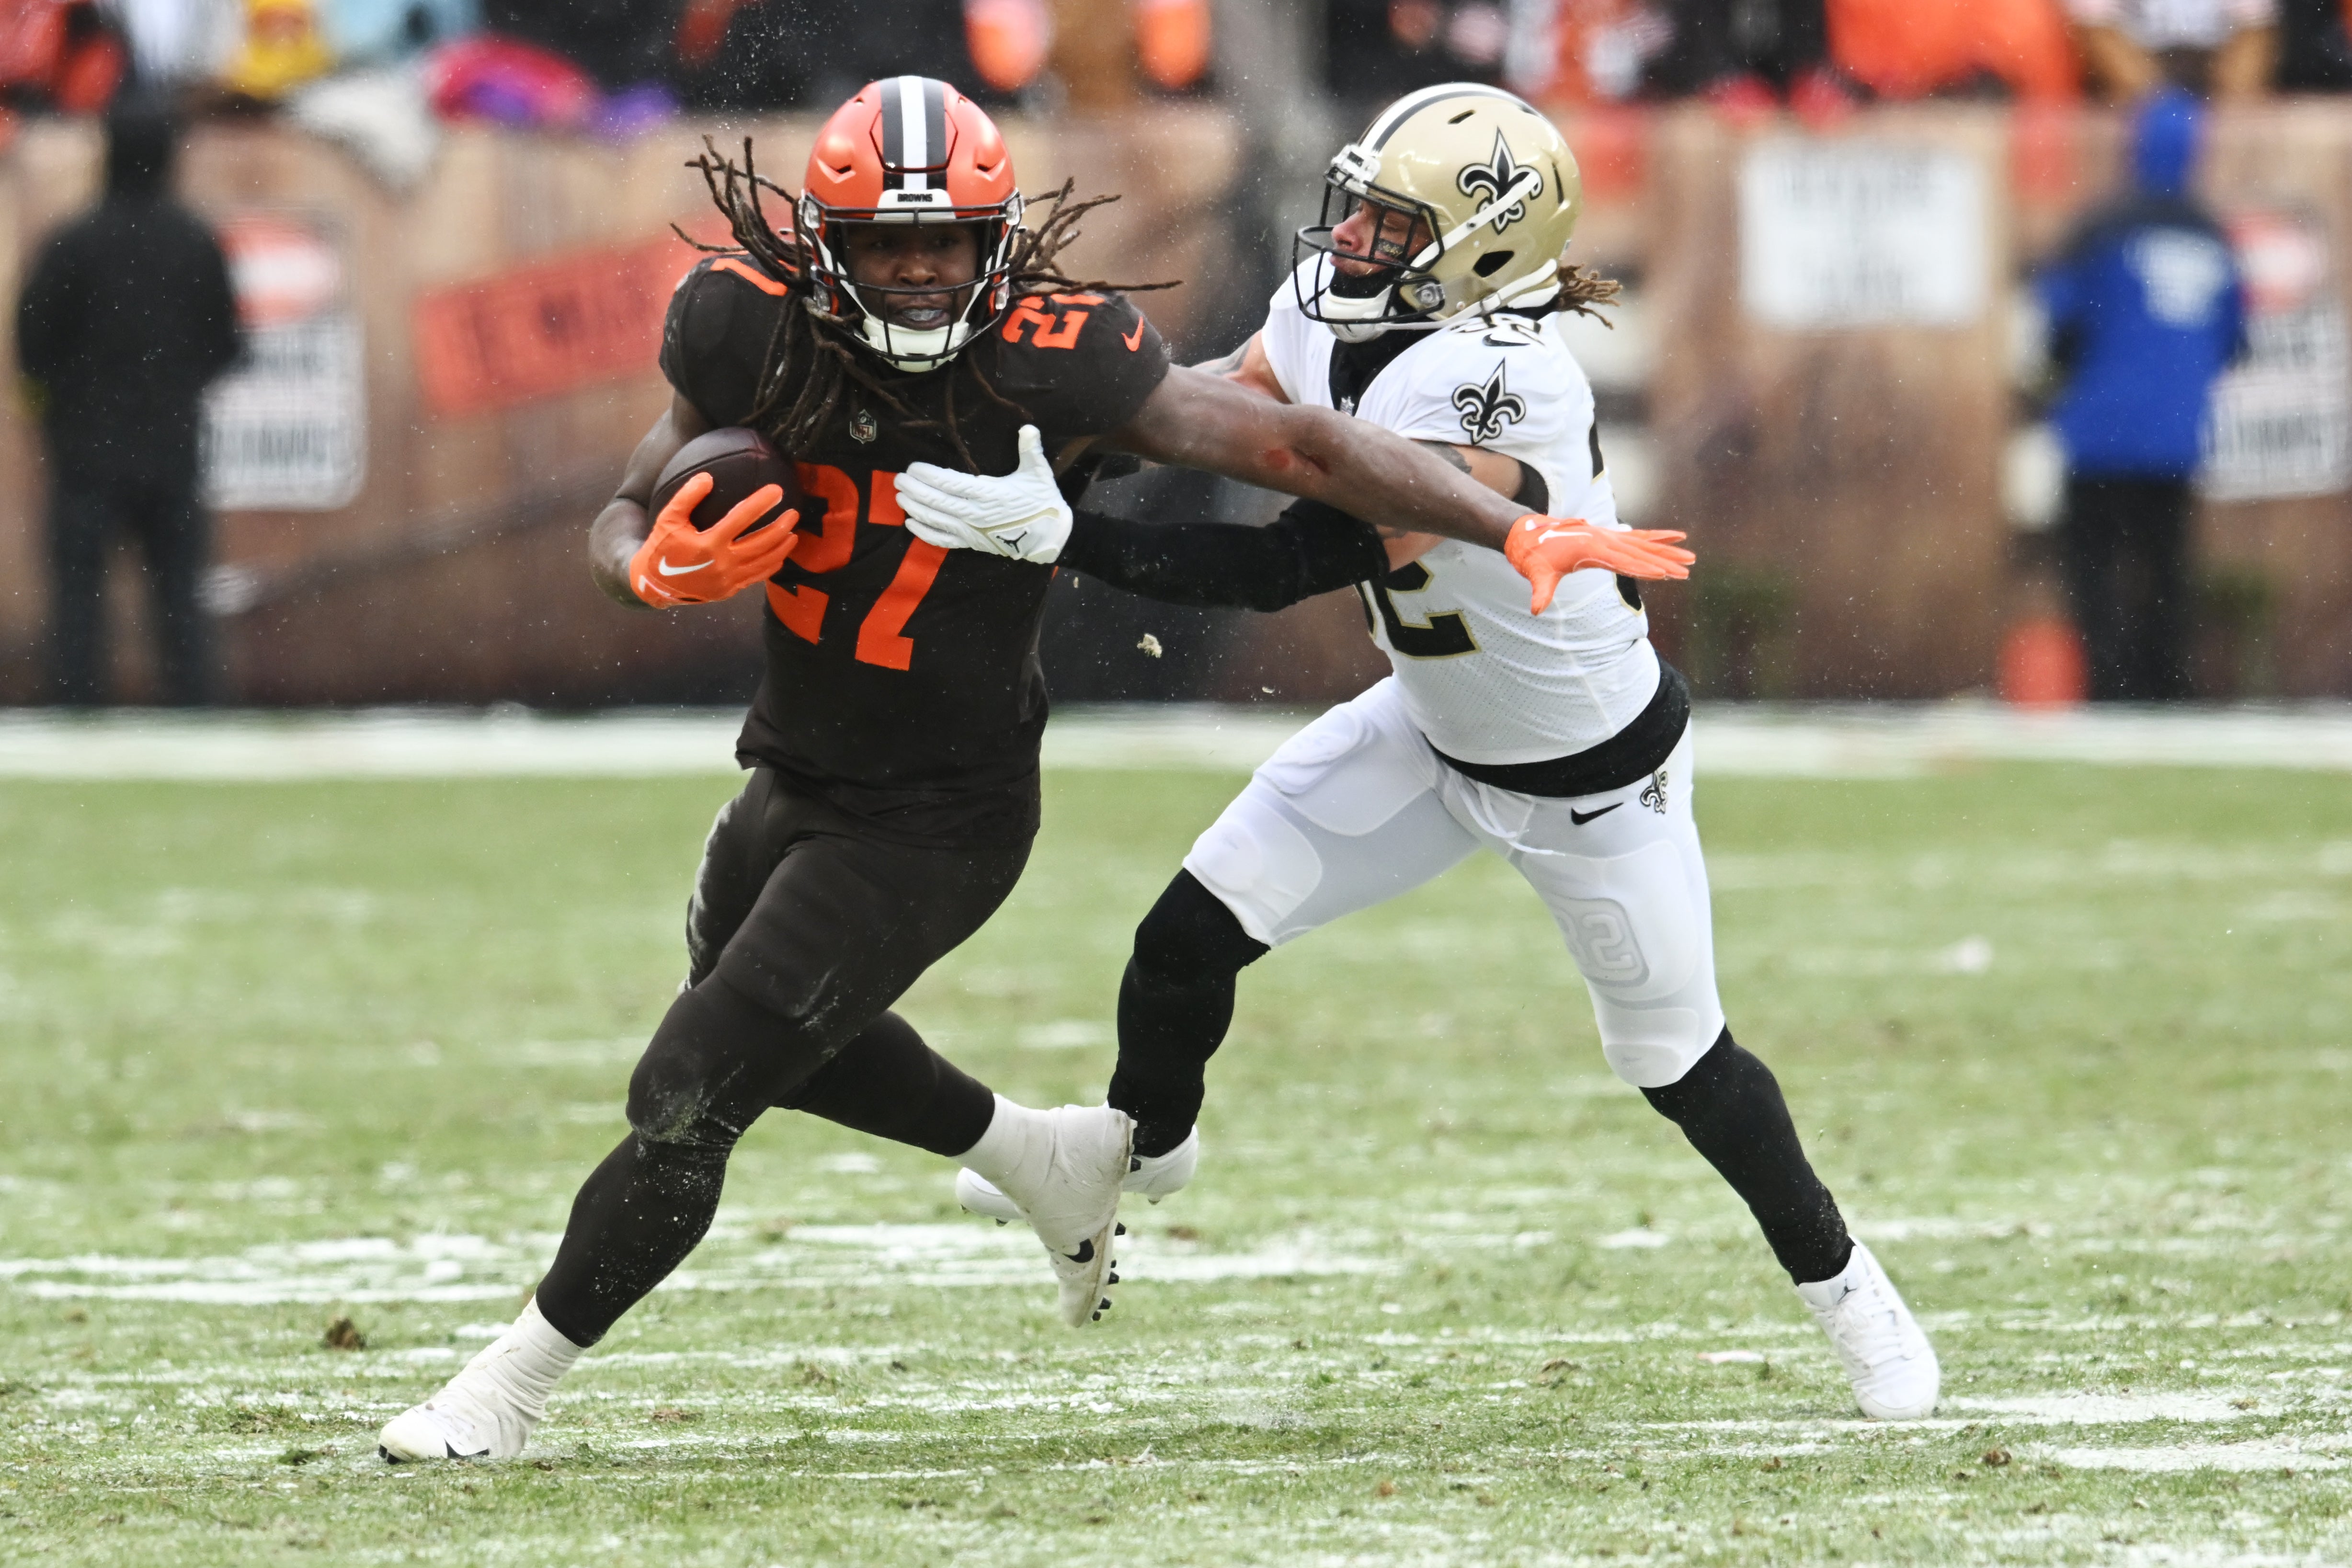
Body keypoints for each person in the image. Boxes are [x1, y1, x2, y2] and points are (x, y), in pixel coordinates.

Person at [376, 75, 1690, 1464]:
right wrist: (640, 572)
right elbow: (629, 502)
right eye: (890, 244)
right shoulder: (743, 330)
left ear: (998, 240)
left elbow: (1296, 442)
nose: (925, 272)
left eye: (949, 243)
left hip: (939, 816)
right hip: (794, 766)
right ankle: (1036, 1156)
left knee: (689, 1085)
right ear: (826, 245)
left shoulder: (1053, 356)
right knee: (781, 1042)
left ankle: (505, 1392)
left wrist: (1505, 523)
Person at [913, 82, 1937, 1422]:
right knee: (1181, 942)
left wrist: (1060, 537)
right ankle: (1140, 1151)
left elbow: (1296, 558)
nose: (1345, 244)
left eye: (1389, 229)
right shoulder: (1347, 315)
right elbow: (1197, 411)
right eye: (1355, 214)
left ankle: (1848, 1288)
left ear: (1485, 251)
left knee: (1682, 1070)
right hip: (1428, 727)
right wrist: (1042, 456)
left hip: (1587, 783)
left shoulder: (1503, 380)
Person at [16, 103, 241, 707]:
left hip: (86, 455)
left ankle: (77, 721)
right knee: (180, 608)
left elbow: (31, 346)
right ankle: (195, 721)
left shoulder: (73, 245)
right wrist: (172, 385)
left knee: (78, 608)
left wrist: (66, 405)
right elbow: (227, 347)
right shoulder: (195, 243)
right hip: (172, 451)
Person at [2037, 87, 2246, 702]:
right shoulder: (2212, 237)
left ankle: (2106, 688)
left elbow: (2058, 322)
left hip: (2097, 433)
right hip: (2175, 437)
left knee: (2093, 568)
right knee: (2166, 571)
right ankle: (2165, 688)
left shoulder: (2100, 228)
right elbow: (2234, 339)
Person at [2066, 0, 2277, 98]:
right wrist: (2160, 109)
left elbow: (2254, 32)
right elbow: (2098, 31)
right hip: (2139, 87)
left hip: (2214, 77)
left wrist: (2233, 105)